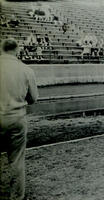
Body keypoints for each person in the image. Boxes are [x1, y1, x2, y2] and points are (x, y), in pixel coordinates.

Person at [0, 38, 38, 200]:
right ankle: (16, 197)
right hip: (16, 118)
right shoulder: (26, 69)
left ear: (2, 49)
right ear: (17, 50)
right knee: (16, 160)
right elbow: (33, 98)